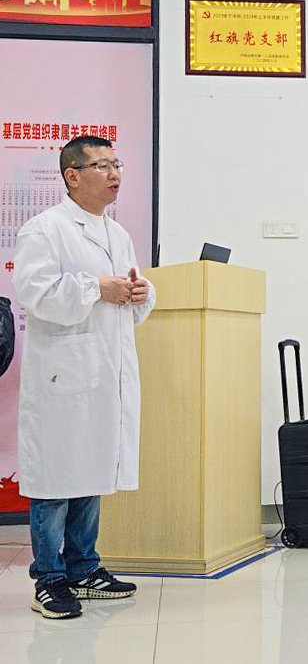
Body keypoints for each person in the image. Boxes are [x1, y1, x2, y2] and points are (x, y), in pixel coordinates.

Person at [13, 135, 156, 619]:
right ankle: (49, 578)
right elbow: (34, 292)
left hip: (102, 372)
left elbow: (128, 290)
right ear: (72, 176)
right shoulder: (45, 229)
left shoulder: (117, 233)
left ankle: (83, 568)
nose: (114, 174)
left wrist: (140, 292)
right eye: (101, 165)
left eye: (117, 164)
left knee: (90, 469)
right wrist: (97, 288)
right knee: (55, 480)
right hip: (62, 375)